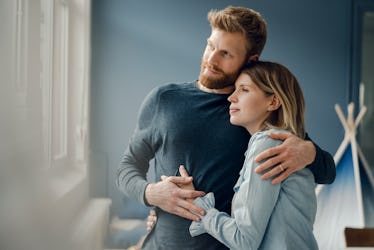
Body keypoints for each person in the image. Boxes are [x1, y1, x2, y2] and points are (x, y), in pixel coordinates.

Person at [116, 6, 335, 250]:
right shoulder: (163, 99)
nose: (211, 59)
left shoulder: (253, 112)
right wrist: (151, 193)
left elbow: (327, 171)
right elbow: (126, 168)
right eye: (210, 46)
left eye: (226, 53)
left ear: (250, 60)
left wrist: (309, 152)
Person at [171, 61, 318, 249]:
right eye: (234, 90)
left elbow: (244, 240)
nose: (231, 98)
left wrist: (198, 207)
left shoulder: (268, 144)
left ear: (273, 102)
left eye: (244, 90)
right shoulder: (282, 144)